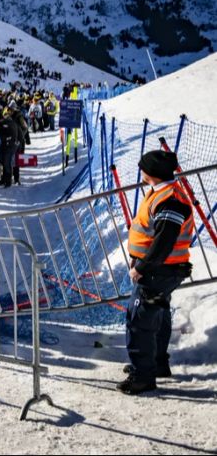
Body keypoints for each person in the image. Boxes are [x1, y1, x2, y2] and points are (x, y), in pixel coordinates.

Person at [118, 150, 194, 395]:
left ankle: (144, 376)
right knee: (157, 315)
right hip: (162, 269)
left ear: (150, 173)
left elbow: (164, 240)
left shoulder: (170, 199)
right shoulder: (160, 192)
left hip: (159, 270)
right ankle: (155, 363)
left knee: (140, 320)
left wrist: (142, 267)